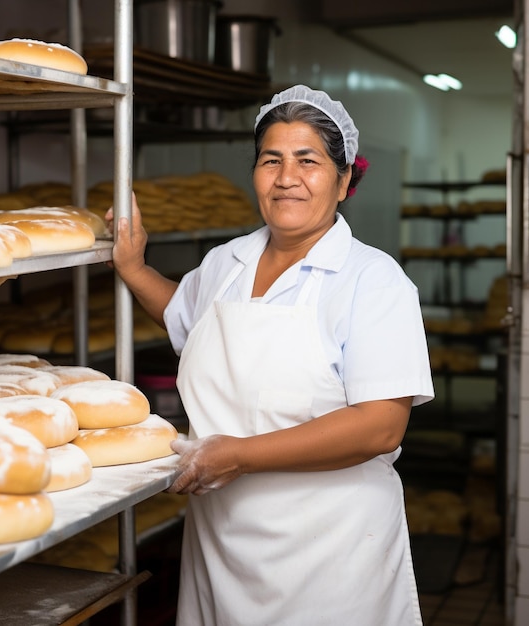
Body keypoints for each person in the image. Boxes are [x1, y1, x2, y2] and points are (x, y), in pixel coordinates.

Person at [107, 84, 434, 626]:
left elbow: (380, 427)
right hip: (224, 541)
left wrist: (239, 455)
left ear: (344, 179)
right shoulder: (226, 262)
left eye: (308, 161)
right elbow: (184, 315)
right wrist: (136, 269)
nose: (287, 178)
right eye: (271, 160)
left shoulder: (373, 281)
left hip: (331, 548)